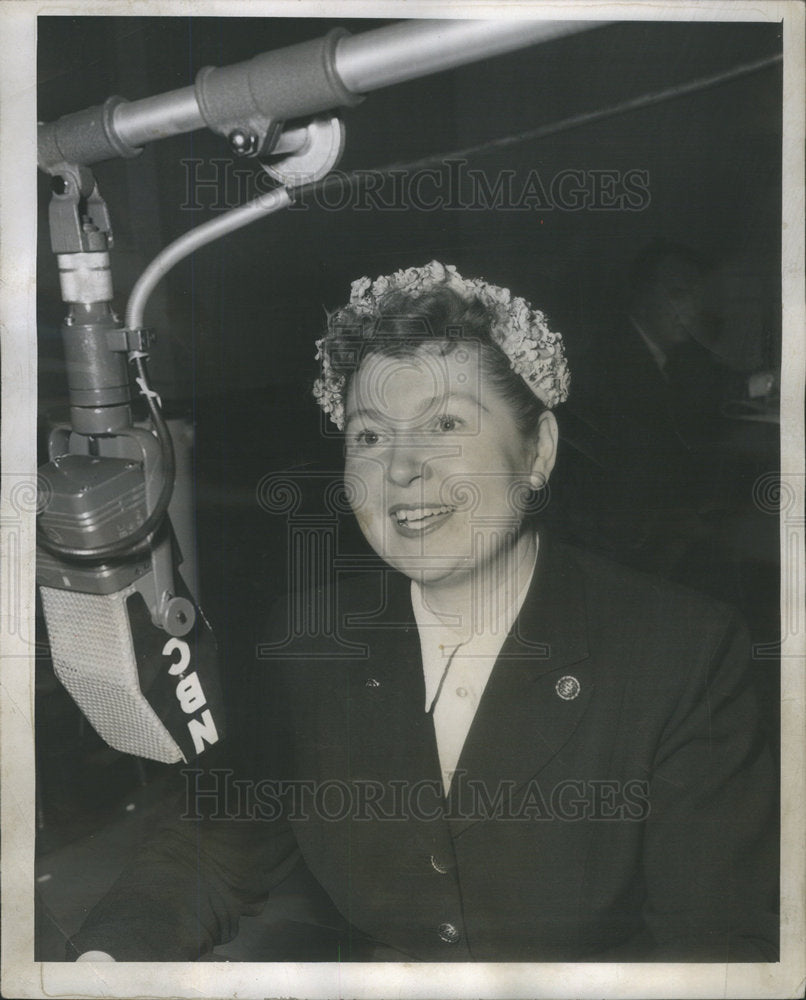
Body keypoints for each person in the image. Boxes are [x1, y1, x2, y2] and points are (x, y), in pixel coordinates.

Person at [69, 261, 778, 962]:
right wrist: (101, 964)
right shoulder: (308, 642)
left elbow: (715, 949)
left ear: (538, 453)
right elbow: (211, 850)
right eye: (370, 436)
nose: (402, 468)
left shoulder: (679, 653)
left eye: (445, 423)